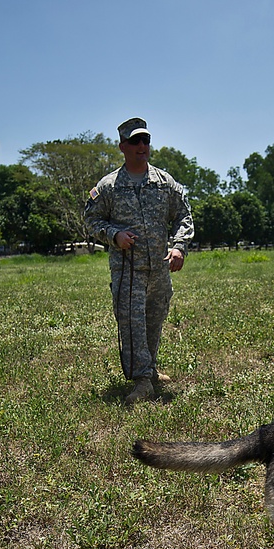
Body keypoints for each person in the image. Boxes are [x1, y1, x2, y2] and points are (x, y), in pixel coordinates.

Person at [84, 117, 195, 404]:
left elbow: (183, 215)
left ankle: (150, 368)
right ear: (123, 146)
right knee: (132, 323)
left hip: (159, 268)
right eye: (135, 141)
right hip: (128, 269)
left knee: (154, 320)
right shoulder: (109, 186)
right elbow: (92, 220)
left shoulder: (163, 182)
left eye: (145, 140)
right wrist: (115, 234)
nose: (142, 146)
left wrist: (179, 246)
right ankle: (143, 381)